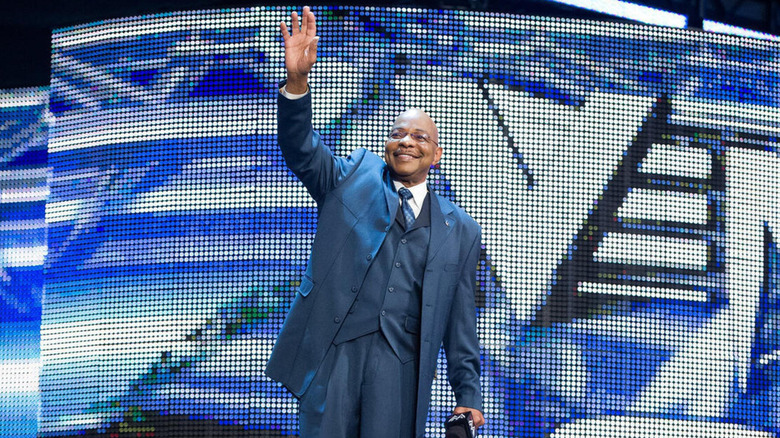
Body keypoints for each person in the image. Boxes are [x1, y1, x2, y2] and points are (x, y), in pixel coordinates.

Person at [264, 7, 485, 437]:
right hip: (334, 355)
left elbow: (461, 323)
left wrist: (468, 397)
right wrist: (296, 82)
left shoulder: (461, 229)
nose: (406, 140)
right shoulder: (352, 175)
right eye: (398, 133)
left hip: (400, 370)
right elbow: (301, 149)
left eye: (419, 136)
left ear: (435, 156)